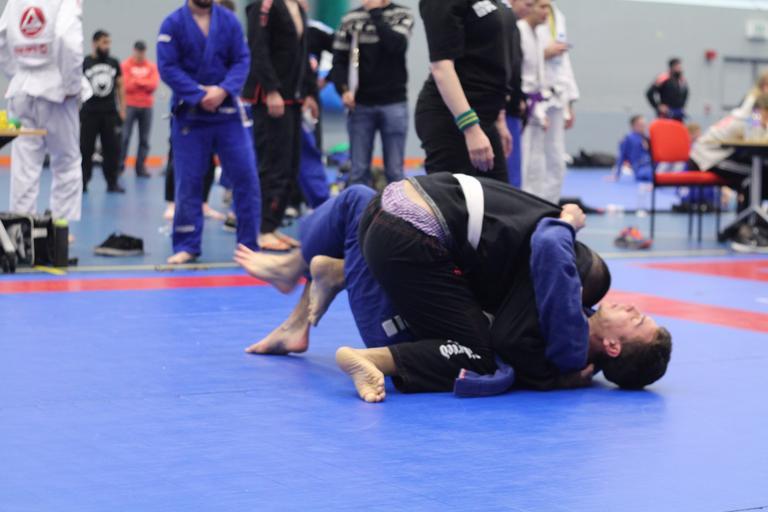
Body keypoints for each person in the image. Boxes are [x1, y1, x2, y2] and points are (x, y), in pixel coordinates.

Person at [236, 173, 671, 401]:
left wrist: (556, 375)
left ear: (613, 347)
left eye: (639, 321)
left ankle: (315, 285)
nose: (635, 308)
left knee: (357, 199)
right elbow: (513, 337)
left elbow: (517, 328)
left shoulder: (564, 303)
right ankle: (370, 350)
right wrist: (566, 224)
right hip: (415, 235)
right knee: (478, 353)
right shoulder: (574, 305)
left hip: (404, 213)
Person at [157, 0, 262, 264]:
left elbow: (242, 60)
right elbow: (167, 66)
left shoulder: (229, 21)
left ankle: (249, 246)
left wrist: (222, 90)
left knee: (246, 178)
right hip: (190, 114)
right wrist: (198, 94)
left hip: (228, 113)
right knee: (188, 181)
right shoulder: (172, 24)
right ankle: (187, 245)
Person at [242, 0, 319, 252]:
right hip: (271, 99)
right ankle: (262, 229)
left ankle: (272, 225)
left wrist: (310, 92)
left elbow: (302, 52)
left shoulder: (297, 7)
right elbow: (258, 49)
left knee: (290, 165)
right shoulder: (263, 6)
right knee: (273, 165)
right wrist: (271, 90)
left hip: (293, 98)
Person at [0, 0, 83, 222]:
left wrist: (18, 74)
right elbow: (67, 39)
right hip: (57, 90)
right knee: (66, 162)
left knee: (24, 166)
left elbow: (1, 38)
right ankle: (60, 229)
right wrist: (72, 86)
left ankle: (21, 228)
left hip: (21, 91)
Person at [414, 0, 512, 181]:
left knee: (498, 195)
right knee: (456, 196)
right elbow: (441, 68)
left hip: (485, 117)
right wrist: (470, 128)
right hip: (453, 117)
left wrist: (499, 119)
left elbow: (492, 56)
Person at [331, 0, 413, 187]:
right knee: (358, 171)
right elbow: (339, 61)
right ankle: (359, 207)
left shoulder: (402, 14)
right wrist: (343, 90)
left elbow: (396, 45)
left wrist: (375, 12)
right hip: (360, 104)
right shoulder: (350, 19)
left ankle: (397, 207)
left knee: (395, 171)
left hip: (394, 103)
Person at [689, 92, 768, 252]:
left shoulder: (745, 115)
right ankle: (747, 228)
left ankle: (744, 224)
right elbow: (756, 139)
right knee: (754, 176)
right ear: (763, 109)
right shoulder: (751, 117)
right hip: (707, 156)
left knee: (761, 172)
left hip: (722, 153)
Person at [522, 0, 578, 203]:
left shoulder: (558, 15)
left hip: (557, 95)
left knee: (556, 159)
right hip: (534, 97)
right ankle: (528, 204)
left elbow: (564, 62)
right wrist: (545, 53)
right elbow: (522, 57)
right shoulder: (525, 15)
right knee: (531, 159)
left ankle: (549, 205)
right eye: (542, 7)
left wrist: (570, 101)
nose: (544, 10)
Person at [80, 30, 126, 194]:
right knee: (86, 149)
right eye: (104, 42)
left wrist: (123, 109)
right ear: (95, 43)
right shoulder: (85, 62)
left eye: (109, 42)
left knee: (112, 150)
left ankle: (112, 182)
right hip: (89, 113)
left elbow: (120, 86)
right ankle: (83, 182)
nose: (107, 46)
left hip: (110, 113)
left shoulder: (114, 62)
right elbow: (76, 86)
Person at [518, 0, 549, 194]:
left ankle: (535, 202)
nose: (546, 12)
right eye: (542, 7)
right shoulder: (519, 31)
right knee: (522, 160)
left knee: (536, 163)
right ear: (530, 7)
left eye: (548, 8)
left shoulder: (537, 34)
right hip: (522, 104)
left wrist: (540, 111)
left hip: (535, 103)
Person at [119, 40, 159, 178]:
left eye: (142, 51)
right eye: (138, 50)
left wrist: (136, 81)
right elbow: (126, 85)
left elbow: (153, 85)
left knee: (144, 139)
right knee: (124, 137)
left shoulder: (151, 66)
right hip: (130, 105)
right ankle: (119, 167)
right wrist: (144, 83)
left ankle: (140, 168)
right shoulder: (125, 65)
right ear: (134, 50)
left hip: (147, 106)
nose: (140, 53)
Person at [504, 0, 533, 188]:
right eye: (527, 4)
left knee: (515, 170)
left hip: (513, 105)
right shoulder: (503, 24)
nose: (529, 9)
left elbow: (516, 68)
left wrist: (520, 97)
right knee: (507, 170)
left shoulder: (515, 27)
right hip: (502, 107)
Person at [611, 115, 652, 182]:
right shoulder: (628, 139)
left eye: (644, 124)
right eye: (641, 125)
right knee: (651, 173)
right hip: (640, 168)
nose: (644, 127)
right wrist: (617, 175)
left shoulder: (647, 138)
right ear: (633, 126)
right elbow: (621, 157)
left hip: (651, 164)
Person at [646, 58, 688, 122]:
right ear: (672, 67)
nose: (680, 69)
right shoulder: (663, 78)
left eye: (680, 67)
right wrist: (658, 106)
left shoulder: (682, 80)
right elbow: (649, 93)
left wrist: (683, 107)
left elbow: (685, 94)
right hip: (666, 113)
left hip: (678, 112)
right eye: (677, 66)